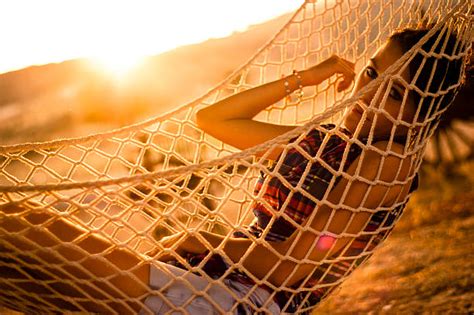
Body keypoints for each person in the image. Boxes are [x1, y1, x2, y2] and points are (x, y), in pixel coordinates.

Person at [0, 26, 464, 314]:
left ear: (424, 112)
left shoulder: (390, 160)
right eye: (371, 74)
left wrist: (202, 240)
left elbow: (285, 269)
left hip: (237, 302)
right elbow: (214, 121)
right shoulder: (322, 145)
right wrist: (306, 76)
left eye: (397, 94)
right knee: (23, 229)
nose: (370, 96)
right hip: (209, 281)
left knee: (21, 231)